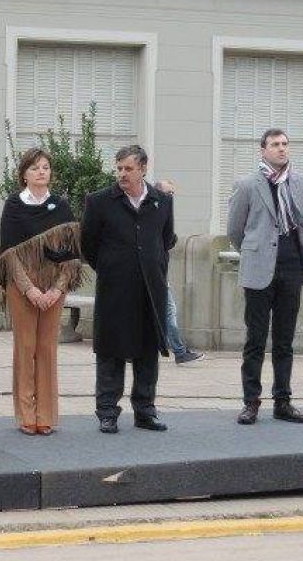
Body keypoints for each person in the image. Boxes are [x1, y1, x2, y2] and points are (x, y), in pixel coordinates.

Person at [227, 128, 303, 425]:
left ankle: (283, 401)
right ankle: (251, 402)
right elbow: (234, 230)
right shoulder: (246, 185)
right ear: (263, 150)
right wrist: (255, 252)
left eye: (285, 144)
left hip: (292, 266)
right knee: (255, 339)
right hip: (259, 268)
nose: (282, 149)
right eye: (275, 145)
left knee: (285, 340)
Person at [0, 147, 83, 436]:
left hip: (55, 286)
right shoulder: (14, 206)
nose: (41, 172)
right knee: (25, 348)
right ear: (24, 175)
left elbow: (72, 255)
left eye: (45, 167)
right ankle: (26, 413)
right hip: (23, 287)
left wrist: (57, 289)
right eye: (34, 168)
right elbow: (9, 255)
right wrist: (30, 290)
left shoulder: (61, 206)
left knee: (46, 350)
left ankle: (46, 414)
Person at [82, 145, 175, 434]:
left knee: (147, 351)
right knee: (111, 351)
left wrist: (156, 268)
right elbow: (88, 245)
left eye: (128, 168)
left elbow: (166, 240)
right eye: (119, 168)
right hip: (115, 289)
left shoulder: (161, 201)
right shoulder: (99, 202)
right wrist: (112, 268)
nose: (122, 174)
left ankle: (145, 410)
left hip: (151, 289)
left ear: (143, 169)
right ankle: (107, 412)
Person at [154, 180, 205, 364]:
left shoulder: (157, 210)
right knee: (168, 312)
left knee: (154, 313)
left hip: (158, 272)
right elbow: (168, 240)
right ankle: (180, 351)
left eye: (173, 194)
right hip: (156, 273)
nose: (172, 197)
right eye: (169, 193)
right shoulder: (157, 212)